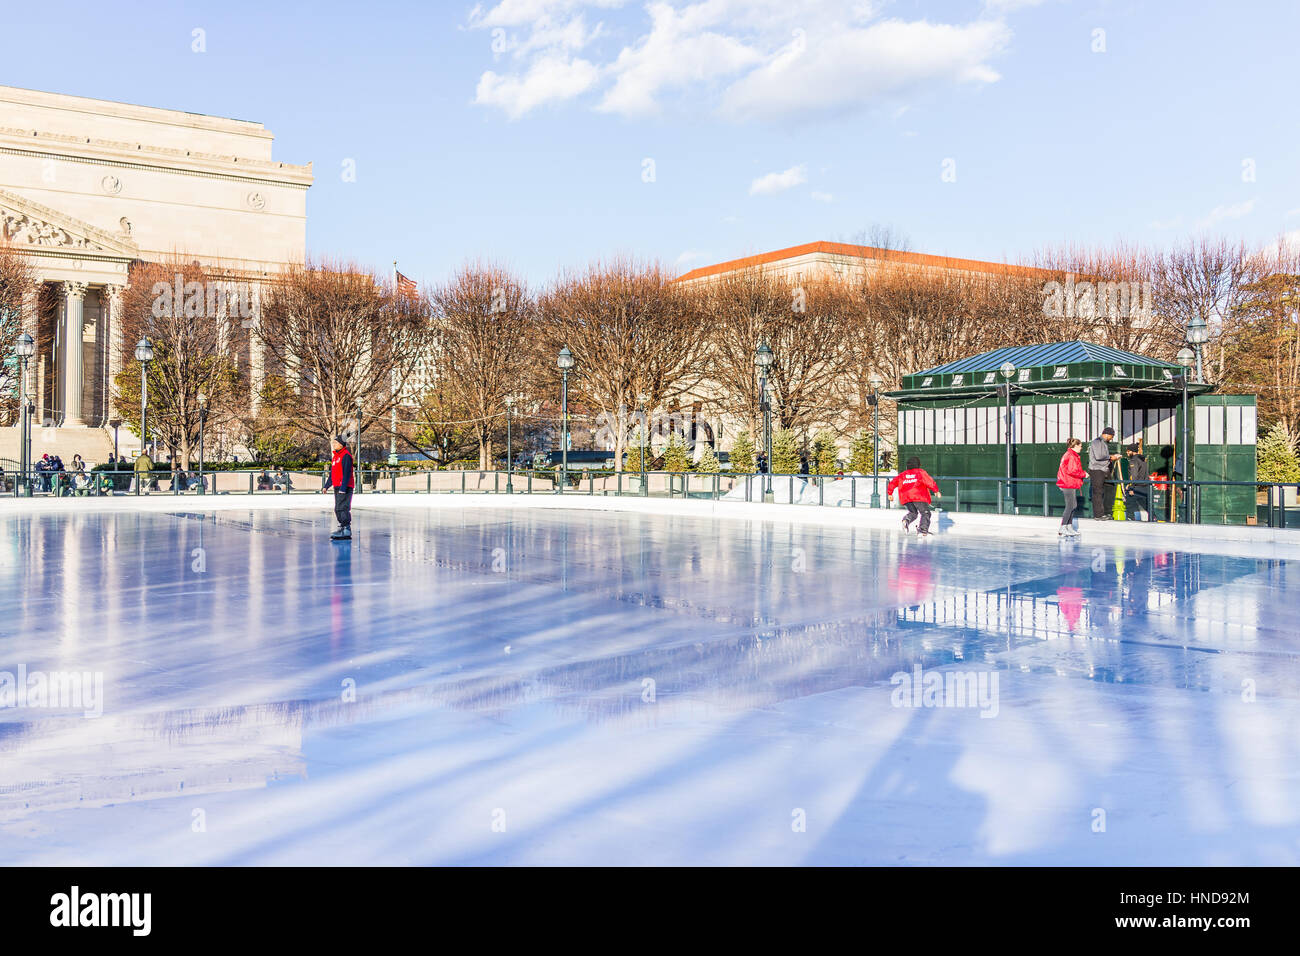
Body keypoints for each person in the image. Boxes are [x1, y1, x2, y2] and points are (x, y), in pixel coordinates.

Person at [887, 456, 941, 536]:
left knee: (913, 513)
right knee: (925, 513)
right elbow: (929, 481)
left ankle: (906, 520)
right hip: (918, 496)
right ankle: (922, 531)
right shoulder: (920, 472)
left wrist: (890, 493)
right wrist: (936, 491)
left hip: (906, 498)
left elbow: (892, 483)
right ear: (918, 465)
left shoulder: (902, 475)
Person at [322, 436, 355, 539]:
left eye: (335, 443)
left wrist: (343, 488)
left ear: (341, 444)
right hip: (337, 486)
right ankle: (342, 527)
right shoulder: (336, 457)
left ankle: (346, 529)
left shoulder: (346, 456)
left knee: (343, 508)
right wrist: (326, 486)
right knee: (337, 509)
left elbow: (347, 473)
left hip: (344, 487)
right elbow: (333, 474)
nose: (334, 444)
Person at [1056, 437, 1087, 537]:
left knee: (1073, 505)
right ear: (1076, 446)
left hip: (1068, 482)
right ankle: (1063, 527)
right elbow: (1072, 470)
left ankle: (1068, 526)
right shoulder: (1071, 456)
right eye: (1080, 446)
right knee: (1070, 506)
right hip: (1067, 483)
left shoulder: (1070, 455)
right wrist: (1084, 474)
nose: (1081, 448)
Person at [1088, 426, 1120, 520]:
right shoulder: (1097, 442)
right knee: (1098, 492)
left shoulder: (1104, 443)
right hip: (1097, 470)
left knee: (1110, 488)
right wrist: (1111, 457)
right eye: (1111, 436)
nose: (1112, 439)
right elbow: (1099, 456)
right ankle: (1098, 515)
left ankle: (1107, 512)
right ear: (1107, 434)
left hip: (1104, 470)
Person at [1124, 443, 1151, 522]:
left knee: (1129, 503)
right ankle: (1154, 518)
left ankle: (1130, 519)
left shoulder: (1133, 461)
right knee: (1146, 505)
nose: (1127, 453)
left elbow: (1134, 475)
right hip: (1145, 486)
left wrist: (1131, 488)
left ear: (1132, 451)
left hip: (1136, 487)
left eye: (1128, 451)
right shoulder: (1142, 459)